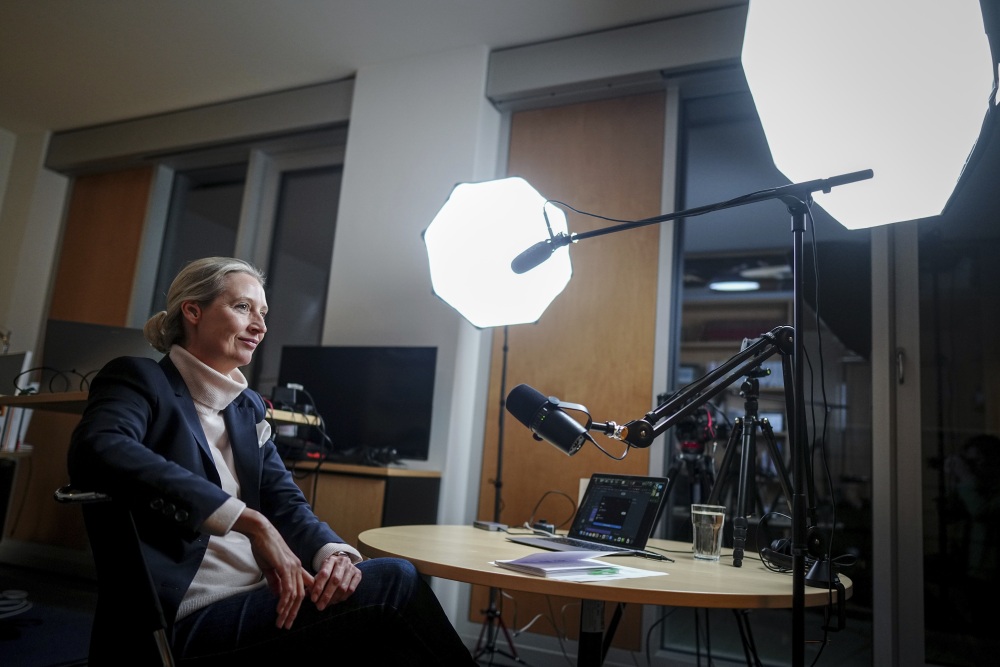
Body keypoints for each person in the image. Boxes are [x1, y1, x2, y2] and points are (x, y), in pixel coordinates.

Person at [68, 257, 475, 665]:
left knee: (370, 598)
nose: (260, 326)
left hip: (268, 597)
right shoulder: (140, 379)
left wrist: (332, 554)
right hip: (185, 617)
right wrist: (250, 521)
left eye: (262, 313)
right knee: (395, 582)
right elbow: (98, 448)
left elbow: (285, 502)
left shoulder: (246, 408)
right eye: (243, 307)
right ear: (193, 311)